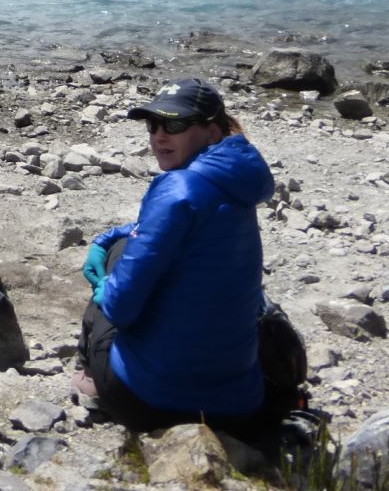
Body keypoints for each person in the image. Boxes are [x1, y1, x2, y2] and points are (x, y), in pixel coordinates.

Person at [76, 77, 277, 442]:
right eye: (153, 125)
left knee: (115, 268)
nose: (159, 137)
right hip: (239, 406)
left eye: (174, 125)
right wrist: (109, 236)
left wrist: (103, 285)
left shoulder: (177, 188)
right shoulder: (234, 178)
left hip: (156, 401)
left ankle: (90, 376)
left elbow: (120, 307)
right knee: (122, 246)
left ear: (212, 131)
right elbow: (162, 227)